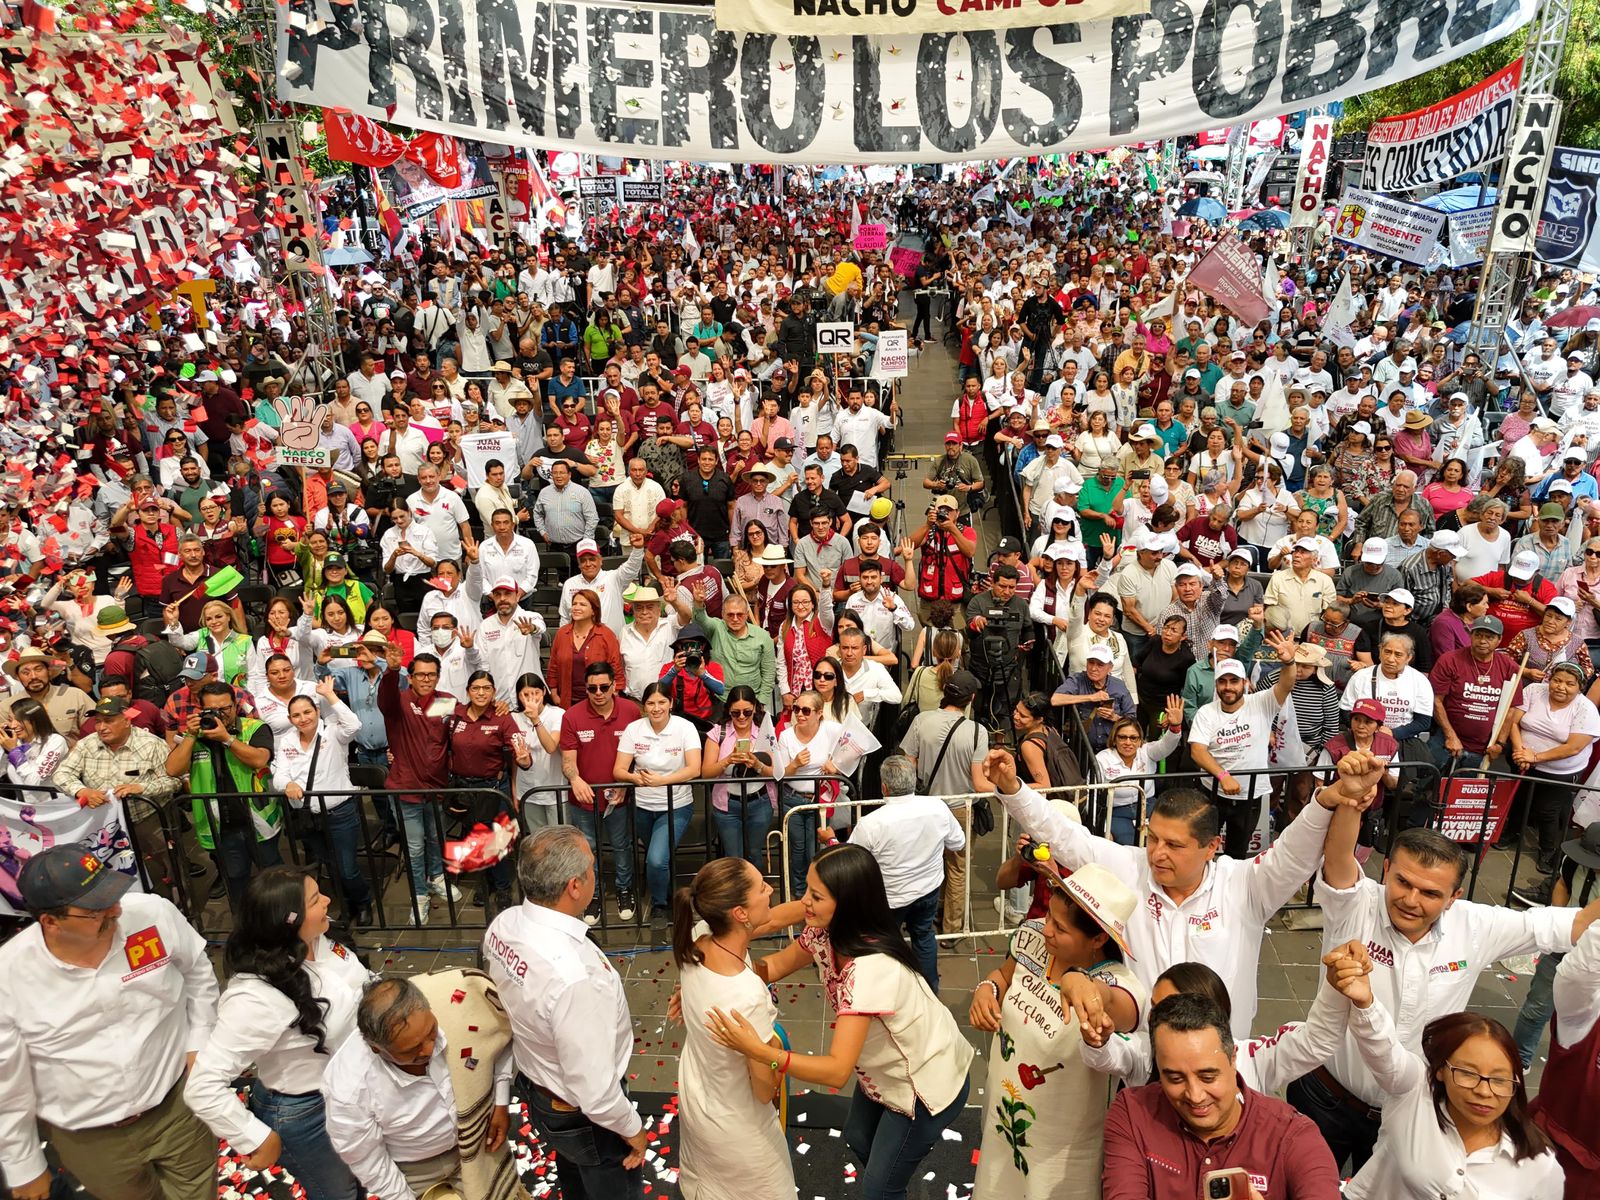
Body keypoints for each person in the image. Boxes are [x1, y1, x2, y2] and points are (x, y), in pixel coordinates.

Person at [986, 744, 1385, 1042]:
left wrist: (1327, 799)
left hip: (1222, 1067)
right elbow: (1064, 836)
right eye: (1153, 838)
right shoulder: (1129, 865)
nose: (1157, 854)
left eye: (1174, 846)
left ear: (1212, 847)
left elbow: (1293, 853)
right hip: (1142, 1060)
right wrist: (1012, 788)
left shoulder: (1244, 885)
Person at [1304, 789, 1600, 1172]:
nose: (1411, 900)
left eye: (1430, 893)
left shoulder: (1477, 925)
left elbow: (1575, 925)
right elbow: (1339, 857)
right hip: (1325, 1096)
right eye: (1402, 883)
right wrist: (1350, 797)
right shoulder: (1353, 904)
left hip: (1414, 1111)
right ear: (1385, 870)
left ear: (1454, 897)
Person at [704, 844, 973, 1200]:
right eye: (807, 891)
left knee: (878, 1187)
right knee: (859, 1137)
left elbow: (836, 1071)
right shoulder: (825, 932)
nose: (805, 903)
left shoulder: (870, 969)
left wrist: (758, 1051)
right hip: (883, 1073)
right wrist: (717, 979)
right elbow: (774, 966)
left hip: (924, 1085)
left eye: (815, 896)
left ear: (847, 902)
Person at [0, 846, 220, 1200]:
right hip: (91, 1138)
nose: (116, 909)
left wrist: (200, 1039)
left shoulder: (151, 913)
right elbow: (6, 1079)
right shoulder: (8, 976)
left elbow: (196, 970)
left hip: (178, 1104)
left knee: (199, 1190)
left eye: (112, 895)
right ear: (51, 922)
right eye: (95, 909)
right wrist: (23, 1162)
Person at [184, 868, 371, 1200]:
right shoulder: (253, 998)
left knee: (361, 1174)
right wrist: (252, 1135)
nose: (328, 900)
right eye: (316, 899)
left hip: (350, 1089)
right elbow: (202, 1086)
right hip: (308, 1112)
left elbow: (359, 985)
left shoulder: (320, 941)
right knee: (337, 1193)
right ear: (290, 920)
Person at [483, 827, 648, 1200]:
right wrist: (632, 1128)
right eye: (591, 868)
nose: (595, 874)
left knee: (575, 1180)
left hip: (540, 1087)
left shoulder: (503, 925)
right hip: (584, 1113)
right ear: (575, 886)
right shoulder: (574, 977)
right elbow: (595, 1091)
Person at [969, 861, 1144, 1200]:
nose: (1046, 929)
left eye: (1060, 928)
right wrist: (985, 990)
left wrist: (1089, 989)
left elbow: (1118, 1006)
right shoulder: (1033, 936)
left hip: (1060, 1146)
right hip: (1004, 1117)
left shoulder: (1121, 985)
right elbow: (1003, 977)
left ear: (1097, 938)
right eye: (1049, 916)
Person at [1100, 993, 1341, 1198]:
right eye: (1175, 1078)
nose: (1195, 1095)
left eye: (1207, 1077)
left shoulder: (1294, 1138)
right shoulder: (1132, 1112)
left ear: (1233, 1058)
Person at [670, 858, 796, 1200]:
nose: (770, 890)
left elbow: (776, 918)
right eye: (762, 887)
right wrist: (772, 1051)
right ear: (740, 913)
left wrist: (817, 904)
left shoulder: (698, 939)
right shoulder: (746, 994)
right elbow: (762, 1089)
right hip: (738, 1123)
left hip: (700, 1098)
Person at [322, 976, 514, 1200]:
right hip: (415, 1171)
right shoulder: (349, 1089)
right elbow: (367, 1159)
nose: (430, 1049)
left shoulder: (454, 1012)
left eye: (431, 1032)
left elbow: (495, 1042)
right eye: (411, 1050)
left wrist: (500, 1102)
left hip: (476, 1143)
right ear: (376, 1049)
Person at [848, 754, 967, 992]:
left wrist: (830, 839)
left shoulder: (871, 824)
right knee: (923, 936)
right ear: (914, 780)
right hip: (927, 890)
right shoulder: (937, 808)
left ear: (884, 787)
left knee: (884, 946)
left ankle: (887, 994)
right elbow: (958, 842)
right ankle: (929, 991)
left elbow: (852, 860)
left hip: (890, 899)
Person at [164, 678, 280, 909]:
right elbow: (172, 769)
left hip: (258, 820)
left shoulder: (254, 728)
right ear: (201, 709)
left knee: (275, 878)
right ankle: (246, 924)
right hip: (219, 825)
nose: (219, 714)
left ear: (235, 704)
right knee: (236, 880)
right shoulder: (195, 736)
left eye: (225, 708)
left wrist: (227, 739)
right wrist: (190, 735)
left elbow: (259, 759)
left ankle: (284, 920)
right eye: (211, 710)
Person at [271, 679, 376, 925]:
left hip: (340, 813)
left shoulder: (332, 732)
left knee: (347, 867)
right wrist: (288, 785)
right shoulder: (287, 741)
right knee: (330, 864)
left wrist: (331, 696)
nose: (303, 718)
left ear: (317, 712)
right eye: (296, 715)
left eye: (307, 712)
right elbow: (280, 773)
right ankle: (346, 904)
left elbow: (354, 725)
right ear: (290, 718)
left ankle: (362, 901)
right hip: (309, 816)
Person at [1186, 632, 1301, 857]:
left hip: (1251, 794)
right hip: (1212, 792)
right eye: (1223, 681)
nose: (1228, 687)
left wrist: (1288, 662)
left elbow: (1286, 685)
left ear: (1245, 683)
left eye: (1234, 681)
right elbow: (1197, 751)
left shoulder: (1261, 702)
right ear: (1216, 684)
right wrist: (1223, 776)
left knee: (1237, 852)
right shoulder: (1206, 712)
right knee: (1202, 847)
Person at [377, 646, 458, 925]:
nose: (426, 680)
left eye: (431, 675)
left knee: (436, 838)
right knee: (414, 848)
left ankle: (436, 877)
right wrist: (390, 671)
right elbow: (384, 701)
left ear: (438, 677)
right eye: (420, 675)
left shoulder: (446, 701)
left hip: (436, 787)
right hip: (406, 787)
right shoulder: (398, 701)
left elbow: (453, 736)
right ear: (409, 677)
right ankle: (419, 897)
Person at [560, 661, 643, 924]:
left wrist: (625, 784)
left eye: (604, 687)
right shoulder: (571, 716)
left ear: (614, 687)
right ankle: (591, 895)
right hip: (582, 799)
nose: (598, 693)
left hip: (619, 798)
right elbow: (568, 760)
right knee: (587, 850)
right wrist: (575, 780)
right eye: (592, 688)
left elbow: (639, 753)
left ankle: (624, 889)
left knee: (622, 846)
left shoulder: (631, 711)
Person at [614, 681, 704, 924]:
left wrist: (663, 781)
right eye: (650, 703)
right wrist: (635, 778)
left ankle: (660, 904)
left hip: (676, 806)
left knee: (655, 859)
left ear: (671, 703)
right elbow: (619, 770)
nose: (656, 708)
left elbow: (695, 769)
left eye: (661, 702)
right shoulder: (634, 729)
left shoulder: (685, 728)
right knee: (658, 859)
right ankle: (666, 890)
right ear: (644, 706)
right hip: (642, 806)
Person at [1508, 661, 1600, 895]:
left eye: (1570, 684)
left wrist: (1535, 756)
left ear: (1580, 687)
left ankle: (1549, 854)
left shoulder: (1586, 709)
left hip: (1561, 769)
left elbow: (1573, 747)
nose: (1561, 687)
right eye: (1557, 680)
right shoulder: (1533, 690)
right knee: (1517, 798)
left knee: (1547, 810)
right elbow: (1513, 721)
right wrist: (1520, 751)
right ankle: (1511, 833)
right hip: (1523, 759)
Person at [701, 685, 779, 865]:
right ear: (729, 711)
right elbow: (706, 773)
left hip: (759, 802)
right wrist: (728, 760)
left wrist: (758, 765)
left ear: (755, 709)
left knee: (754, 853)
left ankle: (756, 891)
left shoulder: (765, 733)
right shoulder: (718, 733)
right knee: (733, 858)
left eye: (747, 712)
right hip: (727, 803)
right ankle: (737, 893)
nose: (742, 717)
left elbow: (776, 772)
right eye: (736, 713)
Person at [1095, 699, 1185, 846]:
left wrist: (1175, 727)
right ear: (1114, 739)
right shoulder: (1102, 759)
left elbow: (1166, 746)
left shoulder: (1146, 751)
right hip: (1117, 811)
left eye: (1133, 738)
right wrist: (1101, 828)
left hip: (1149, 806)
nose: (1128, 742)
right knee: (1130, 844)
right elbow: (1092, 797)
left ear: (1139, 740)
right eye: (1122, 737)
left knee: (1163, 841)